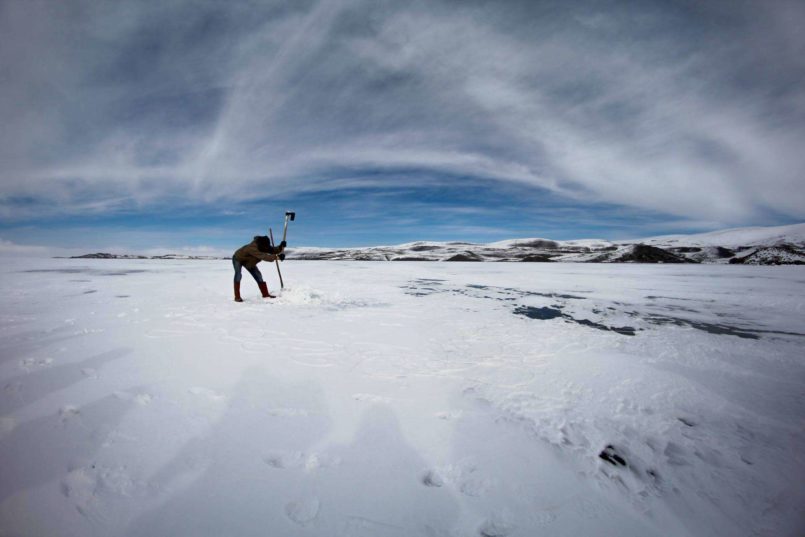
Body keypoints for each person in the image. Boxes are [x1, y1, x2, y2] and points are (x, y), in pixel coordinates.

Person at [232, 235, 286, 302]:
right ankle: (237, 297)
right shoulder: (252, 248)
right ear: (261, 244)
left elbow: (272, 250)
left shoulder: (264, 245)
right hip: (238, 259)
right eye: (265, 246)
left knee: (258, 276)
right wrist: (277, 257)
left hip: (249, 262)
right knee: (238, 275)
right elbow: (264, 256)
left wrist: (280, 247)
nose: (267, 248)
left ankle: (265, 295)